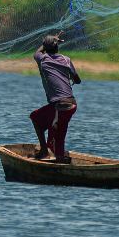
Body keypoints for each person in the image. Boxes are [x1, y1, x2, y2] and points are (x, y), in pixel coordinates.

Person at [29, 34, 81, 162]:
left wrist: (50, 41)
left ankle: (44, 150)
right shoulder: (67, 60)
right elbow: (77, 80)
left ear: (45, 48)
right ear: (57, 47)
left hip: (60, 106)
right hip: (71, 104)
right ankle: (59, 157)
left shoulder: (42, 59)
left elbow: (37, 52)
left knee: (36, 118)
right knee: (59, 133)